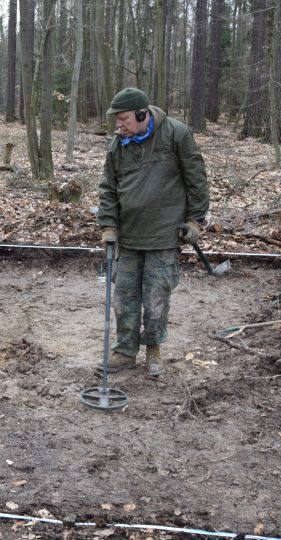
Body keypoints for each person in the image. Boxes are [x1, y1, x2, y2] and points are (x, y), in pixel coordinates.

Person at [96, 87, 209, 378]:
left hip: (164, 234)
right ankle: (124, 351)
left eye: (124, 119)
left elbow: (197, 180)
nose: (118, 126)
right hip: (129, 237)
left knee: (156, 298)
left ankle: (153, 351)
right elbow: (108, 187)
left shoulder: (176, 135)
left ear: (143, 114)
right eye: (116, 120)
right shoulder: (118, 143)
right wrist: (109, 225)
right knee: (124, 297)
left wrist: (195, 221)